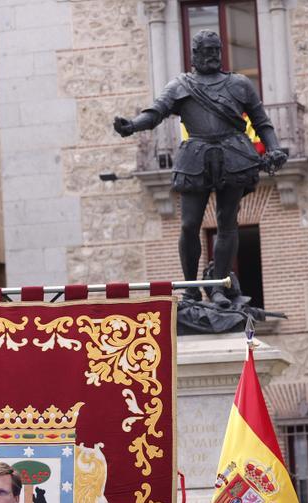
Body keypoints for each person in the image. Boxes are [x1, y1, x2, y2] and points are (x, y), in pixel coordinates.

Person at [114, 30, 288, 308]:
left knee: (227, 222)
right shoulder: (180, 85)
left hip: (233, 155)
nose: (210, 56)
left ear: (221, 52)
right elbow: (156, 112)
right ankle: (191, 288)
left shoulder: (240, 84)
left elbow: (261, 121)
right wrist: (132, 125)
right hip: (195, 156)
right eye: (204, 51)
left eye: (214, 51)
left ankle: (218, 285)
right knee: (189, 224)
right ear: (194, 54)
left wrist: (273, 148)